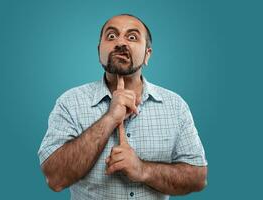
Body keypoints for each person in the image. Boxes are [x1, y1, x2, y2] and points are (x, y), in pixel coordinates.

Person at [38, 14, 208, 199]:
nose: (120, 42)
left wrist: (143, 170)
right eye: (111, 36)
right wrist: (110, 118)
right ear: (99, 51)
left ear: (147, 54)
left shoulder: (175, 105)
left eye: (132, 37)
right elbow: (55, 178)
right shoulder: (70, 102)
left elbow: (197, 178)